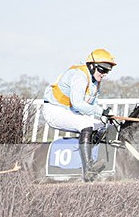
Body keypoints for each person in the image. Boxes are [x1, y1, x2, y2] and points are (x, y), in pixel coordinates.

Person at [42, 48, 117, 182]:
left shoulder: (95, 81)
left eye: (107, 71)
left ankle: (88, 159)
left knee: (102, 126)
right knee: (86, 124)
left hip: (69, 111)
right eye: (102, 70)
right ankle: (88, 169)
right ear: (92, 66)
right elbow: (78, 104)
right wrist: (101, 112)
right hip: (54, 110)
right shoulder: (79, 76)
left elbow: (92, 106)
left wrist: (104, 117)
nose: (104, 74)